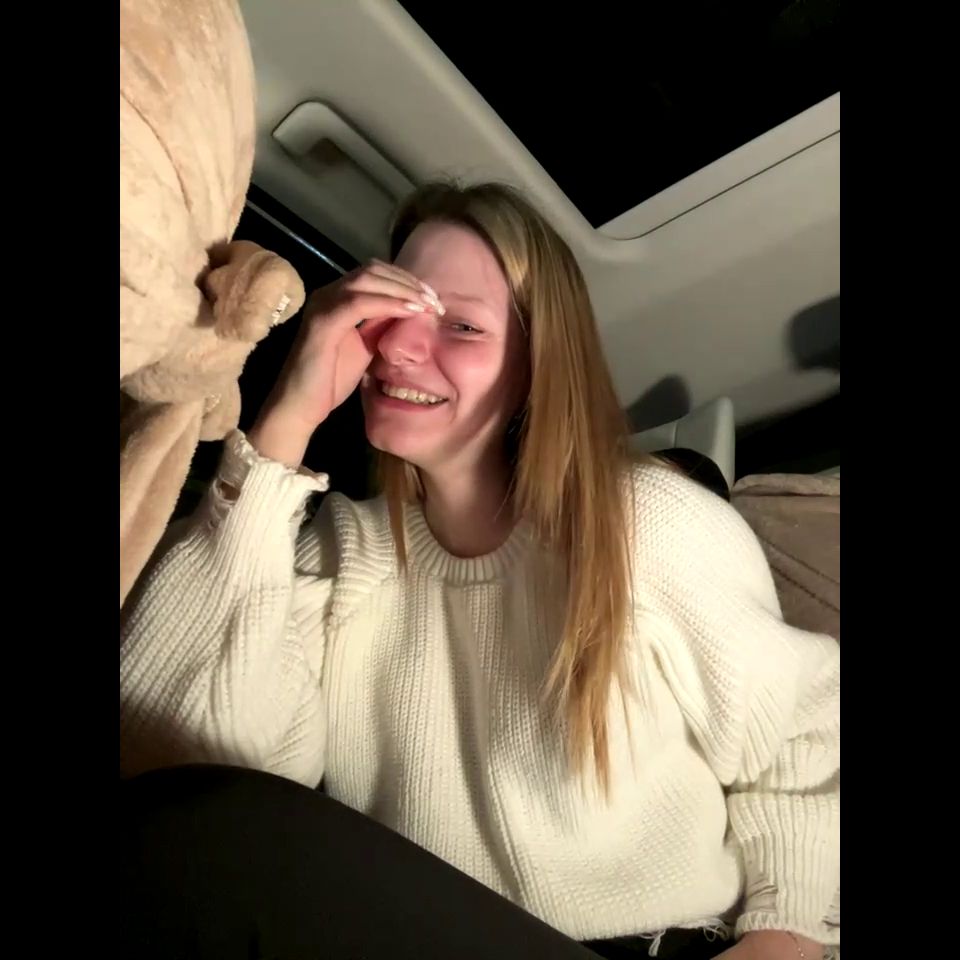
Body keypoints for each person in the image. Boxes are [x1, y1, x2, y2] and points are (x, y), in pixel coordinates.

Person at [120, 182, 840, 960]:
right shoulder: (341, 550)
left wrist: (783, 935)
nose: (396, 347)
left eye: (461, 325)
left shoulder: (649, 526)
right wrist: (285, 424)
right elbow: (184, 761)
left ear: (538, 366)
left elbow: (809, 737)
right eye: (389, 309)